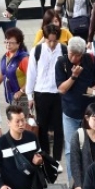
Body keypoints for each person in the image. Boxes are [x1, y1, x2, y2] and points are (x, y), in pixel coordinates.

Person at [55, 37, 95, 185]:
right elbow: (61, 89)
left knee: (91, 148)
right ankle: (74, 186)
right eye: (71, 53)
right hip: (70, 113)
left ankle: (91, 182)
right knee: (71, 149)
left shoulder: (91, 60)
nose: (74, 58)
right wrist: (74, 76)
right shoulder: (61, 63)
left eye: (78, 55)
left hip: (89, 114)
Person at [25, 24, 67, 160]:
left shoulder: (63, 50)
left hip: (58, 93)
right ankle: (45, 156)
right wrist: (29, 96)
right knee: (42, 127)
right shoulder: (37, 50)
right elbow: (31, 74)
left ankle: (56, 158)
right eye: (49, 40)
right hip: (41, 92)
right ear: (44, 38)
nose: (52, 44)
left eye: (55, 40)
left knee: (59, 127)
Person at [0, 27, 30, 114]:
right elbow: (3, 72)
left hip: (22, 98)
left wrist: (21, 91)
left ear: (19, 43)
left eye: (11, 43)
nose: (8, 45)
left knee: (21, 122)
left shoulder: (23, 58)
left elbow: (33, 78)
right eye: (6, 42)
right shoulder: (6, 56)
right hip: (11, 95)